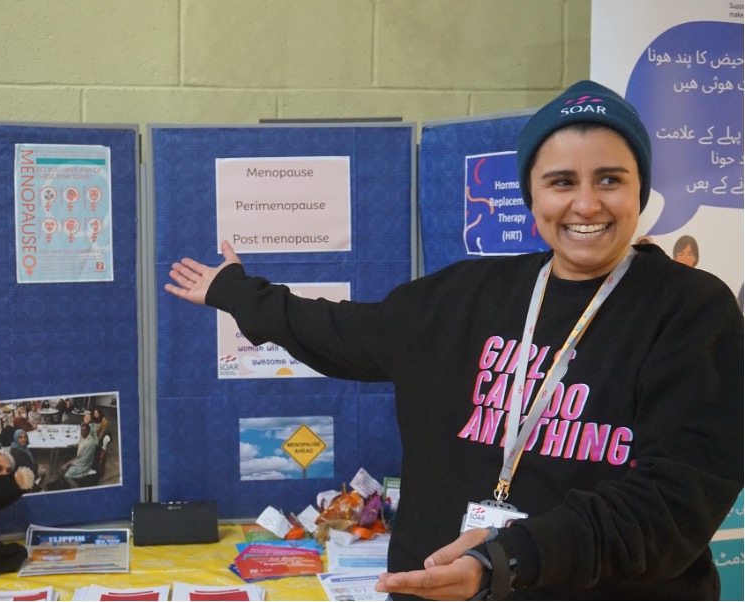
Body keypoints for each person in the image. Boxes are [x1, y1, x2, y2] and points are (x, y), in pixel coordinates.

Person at [165, 80, 743, 600]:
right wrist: (239, 294)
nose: (586, 204)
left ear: (640, 188)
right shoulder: (467, 294)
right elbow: (341, 331)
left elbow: (672, 504)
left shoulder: (691, 311)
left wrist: (507, 558)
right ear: (532, 196)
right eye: (561, 181)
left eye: (610, 180)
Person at [60, 423, 98, 488]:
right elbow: (80, 445)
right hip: (78, 459)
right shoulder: (83, 437)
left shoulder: (91, 443)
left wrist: (71, 463)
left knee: (67, 475)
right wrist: (73, 445)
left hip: (84, 465)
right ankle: (65, 486)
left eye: (84, 430)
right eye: (81, 430)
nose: (82, 432)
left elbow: (85, 460)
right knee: (62, 468)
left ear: (88, 431)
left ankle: (76, 488)